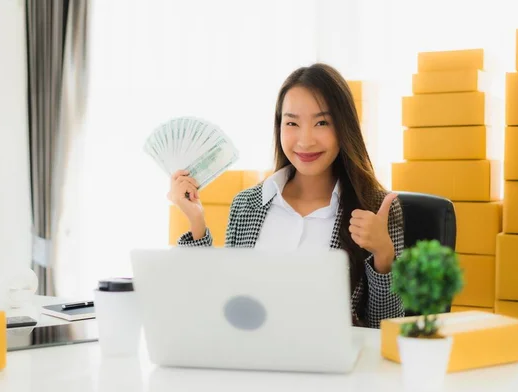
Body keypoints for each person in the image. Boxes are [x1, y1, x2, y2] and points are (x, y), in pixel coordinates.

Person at [168, 63, 404, 328]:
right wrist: (196, 223)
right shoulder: (247, 205)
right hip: (254, 361)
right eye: (292, 122)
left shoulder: (373, 208)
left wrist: (384, 254)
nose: (305, 140)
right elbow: (220, 304)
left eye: (322, 122)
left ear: (344, 127)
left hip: (328, 364)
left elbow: (386, 330)